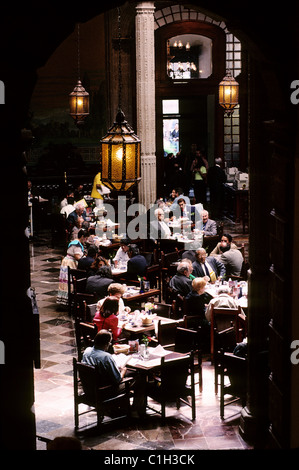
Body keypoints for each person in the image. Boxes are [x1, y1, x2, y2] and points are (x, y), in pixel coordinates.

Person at [56, 229, 88, 307]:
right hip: (70, 263)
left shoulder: (74, 242)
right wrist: (84, 260)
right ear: (82, 236)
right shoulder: (77, 244)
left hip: (67, 262)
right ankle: (67, 301)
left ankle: (65, 300)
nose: (86, 240)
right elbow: (77, 256)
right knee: (69, 282)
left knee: (65, 282)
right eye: (86, 238)